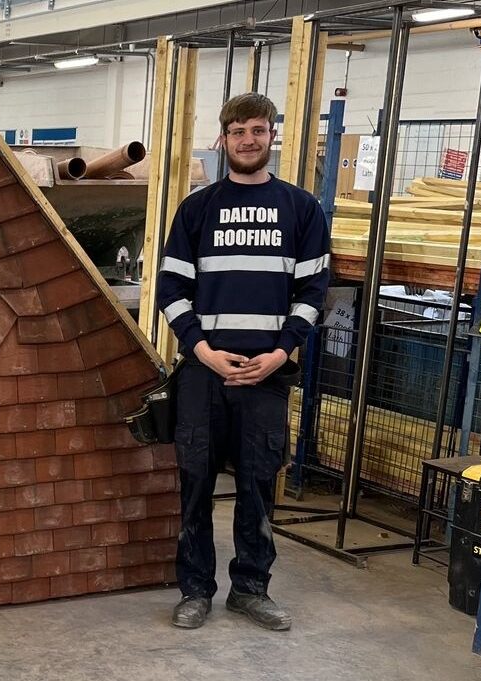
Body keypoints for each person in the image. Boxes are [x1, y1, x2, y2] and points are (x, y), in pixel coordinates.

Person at [156, 92, 330, 632]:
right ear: (224, 138)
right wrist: (202, 351)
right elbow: (171, 288)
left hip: (266, 375)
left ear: (271, 136)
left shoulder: (301, 209)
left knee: (257, 486)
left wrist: (280, 352)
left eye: (257, 130)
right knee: (196, 484)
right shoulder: (197, 209)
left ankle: (251, 589)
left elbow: (312, 291)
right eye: (238, 131)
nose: (248, 140)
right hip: (203, 374)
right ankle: (195, 590)